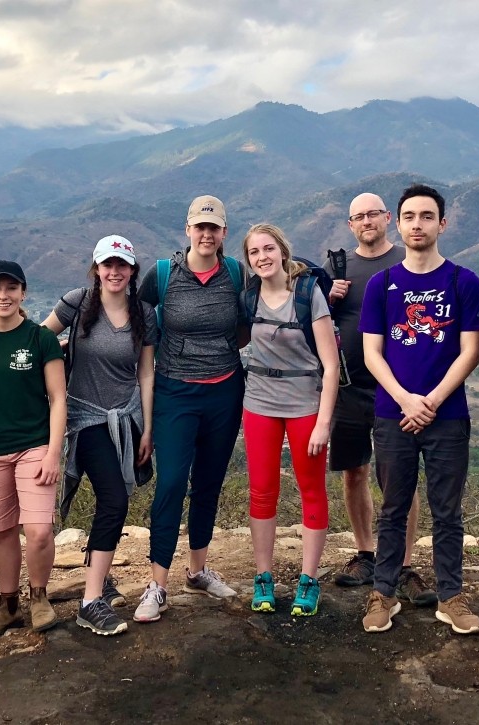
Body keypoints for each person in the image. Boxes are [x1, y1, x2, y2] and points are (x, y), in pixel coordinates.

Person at [356, 184, 479, 635]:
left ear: (442, 224)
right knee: (393, 507)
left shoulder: (463, 281)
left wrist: (431, 400)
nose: (417, 224)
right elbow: (372, 353)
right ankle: (383, 591)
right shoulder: (382, 284)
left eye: (427, 216)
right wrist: (406, 399)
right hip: (393, 413)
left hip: (447, 416)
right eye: (409, 216)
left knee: (447, 510)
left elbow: (471, 351)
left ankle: (451, 595)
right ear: (398, 223)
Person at [133, 194, 246, 623]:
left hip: (225, 391)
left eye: (213, 227)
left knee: (209, 483)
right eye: (200, 226)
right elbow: (131, 321)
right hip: (175, 391)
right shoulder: (163, 275)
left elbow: (254, 317)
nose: (206, 234)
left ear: (224, 232)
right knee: (171, 483)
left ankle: (198, 571)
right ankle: (157, 584)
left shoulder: (236, 273)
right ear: (187, 230)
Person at [45, 235, 157, 635]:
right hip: (86, 417)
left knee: (114, 498)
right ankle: (90, 601)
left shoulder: (144, 313)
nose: (114, 272)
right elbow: (37, 339)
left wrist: (148, 428)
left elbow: (146, 372)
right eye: (107, 264)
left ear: (132, 270)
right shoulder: (77, 303)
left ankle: (99, 575)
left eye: (121, 265)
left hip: (126, 418)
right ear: (96, 269)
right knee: (114, 499)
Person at [327, 193, 435, 606]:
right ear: (350, 224)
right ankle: (366, 553)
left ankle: (404, 564)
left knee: (400, 477)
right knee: (354, 472)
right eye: (359, 216)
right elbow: (314, 320)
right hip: (349, 388)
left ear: (388, 218)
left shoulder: (407, 260)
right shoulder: (338, 269)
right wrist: (328, 297)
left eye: (373, 214)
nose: (366, 221)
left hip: (400, 390)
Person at [0, 260, 67, 638]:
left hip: (35, 444)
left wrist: (53, 453)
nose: (3, 296)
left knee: (38, 530)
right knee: (3, 532)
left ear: (23, 292)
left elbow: (58, 398)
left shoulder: (40, 339)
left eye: (11, 288)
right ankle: (8, 607)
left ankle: (39, 597)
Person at [240, 223, 338, 616]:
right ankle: (263, 577)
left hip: (305, 405)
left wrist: (323, 423)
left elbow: (331, 365)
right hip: (259, 403)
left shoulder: (307, 294)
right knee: (262, 491)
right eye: (254, 252)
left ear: (282, 251)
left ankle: (308, 580)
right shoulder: (249, 297)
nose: (262, 257)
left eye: (268, 249)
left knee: (311, 489)